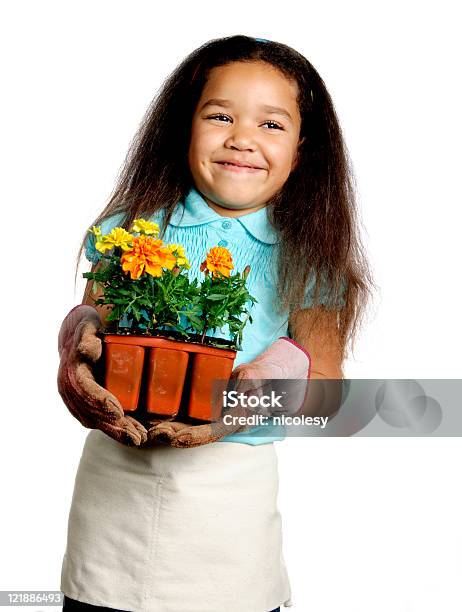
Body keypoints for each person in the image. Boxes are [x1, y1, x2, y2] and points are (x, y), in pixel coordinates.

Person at [58, 35, 373, 612]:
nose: (242, 139)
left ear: (303, 151)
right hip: (115, 488)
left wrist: (250, 393)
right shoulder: (131, 229)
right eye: (220, 115)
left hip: (229, 504)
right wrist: (74, 356)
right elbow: (95, 325)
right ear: (186, 127)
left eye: (271, 125)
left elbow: (327, 392)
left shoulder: (308, 263)